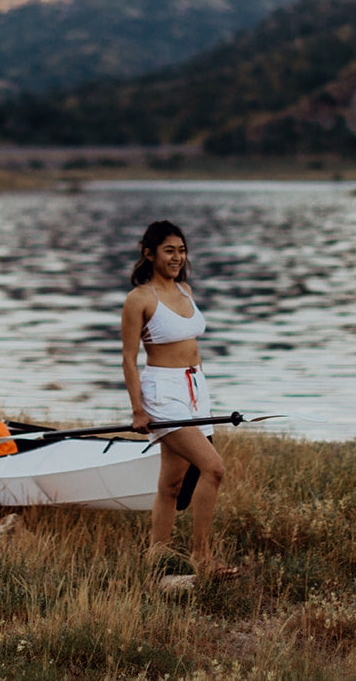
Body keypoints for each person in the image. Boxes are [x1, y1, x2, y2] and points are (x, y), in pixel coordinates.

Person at [121, 220, 238, 578]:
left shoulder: (185, 289)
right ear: (149, 254)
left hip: (196, 390)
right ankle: (202, 559)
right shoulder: (139, 299)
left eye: (181, 250)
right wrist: (138, 410)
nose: (177, 257)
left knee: (171, 485)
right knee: (214, 468)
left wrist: (200, 395)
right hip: (163, 393)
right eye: (169, 250)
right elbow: (128, 358)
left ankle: (156, 562)